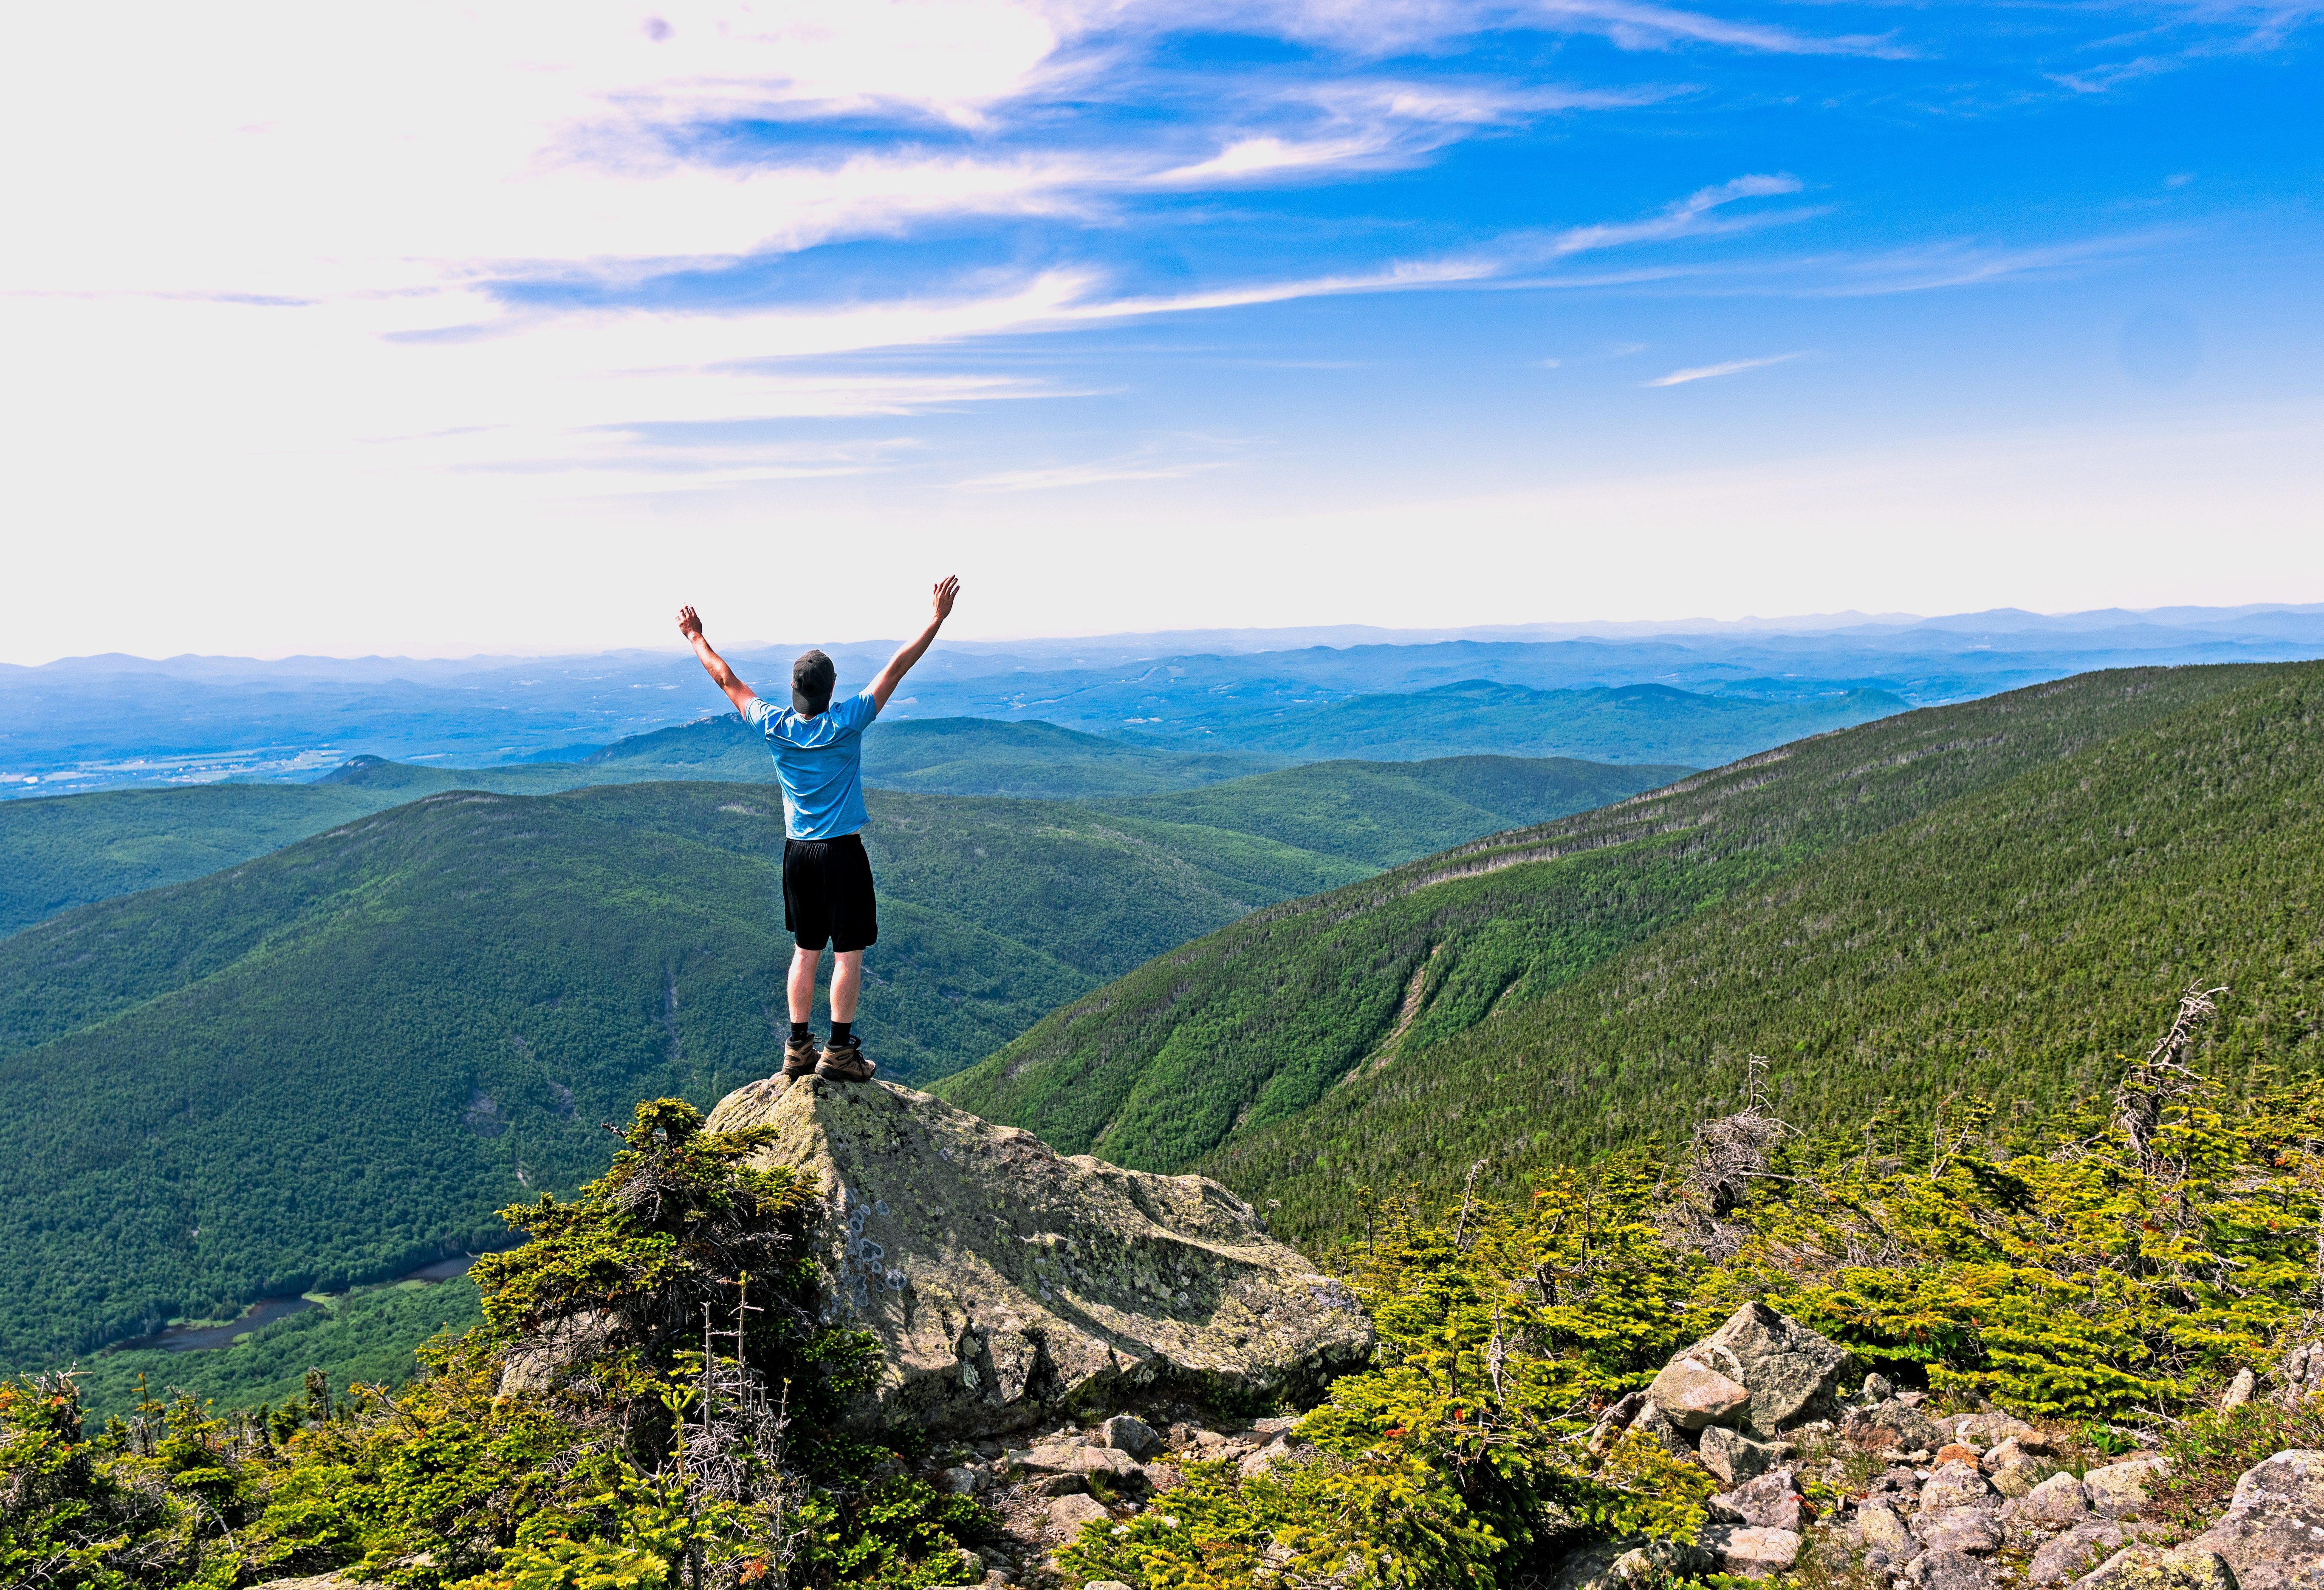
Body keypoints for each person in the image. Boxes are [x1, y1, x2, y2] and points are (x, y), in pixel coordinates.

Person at [676, 576, 960, 1083]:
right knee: (848, 954)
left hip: (798, 855)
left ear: (794, 690)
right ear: (830, 690)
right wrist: (936, 618)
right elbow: (897, 667)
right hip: (841, 854)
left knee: (804, 952)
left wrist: (695, 635)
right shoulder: (847, 721)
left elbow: (725, 680)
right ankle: (839, 1052)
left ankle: (797, 1048)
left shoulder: (774, 725)